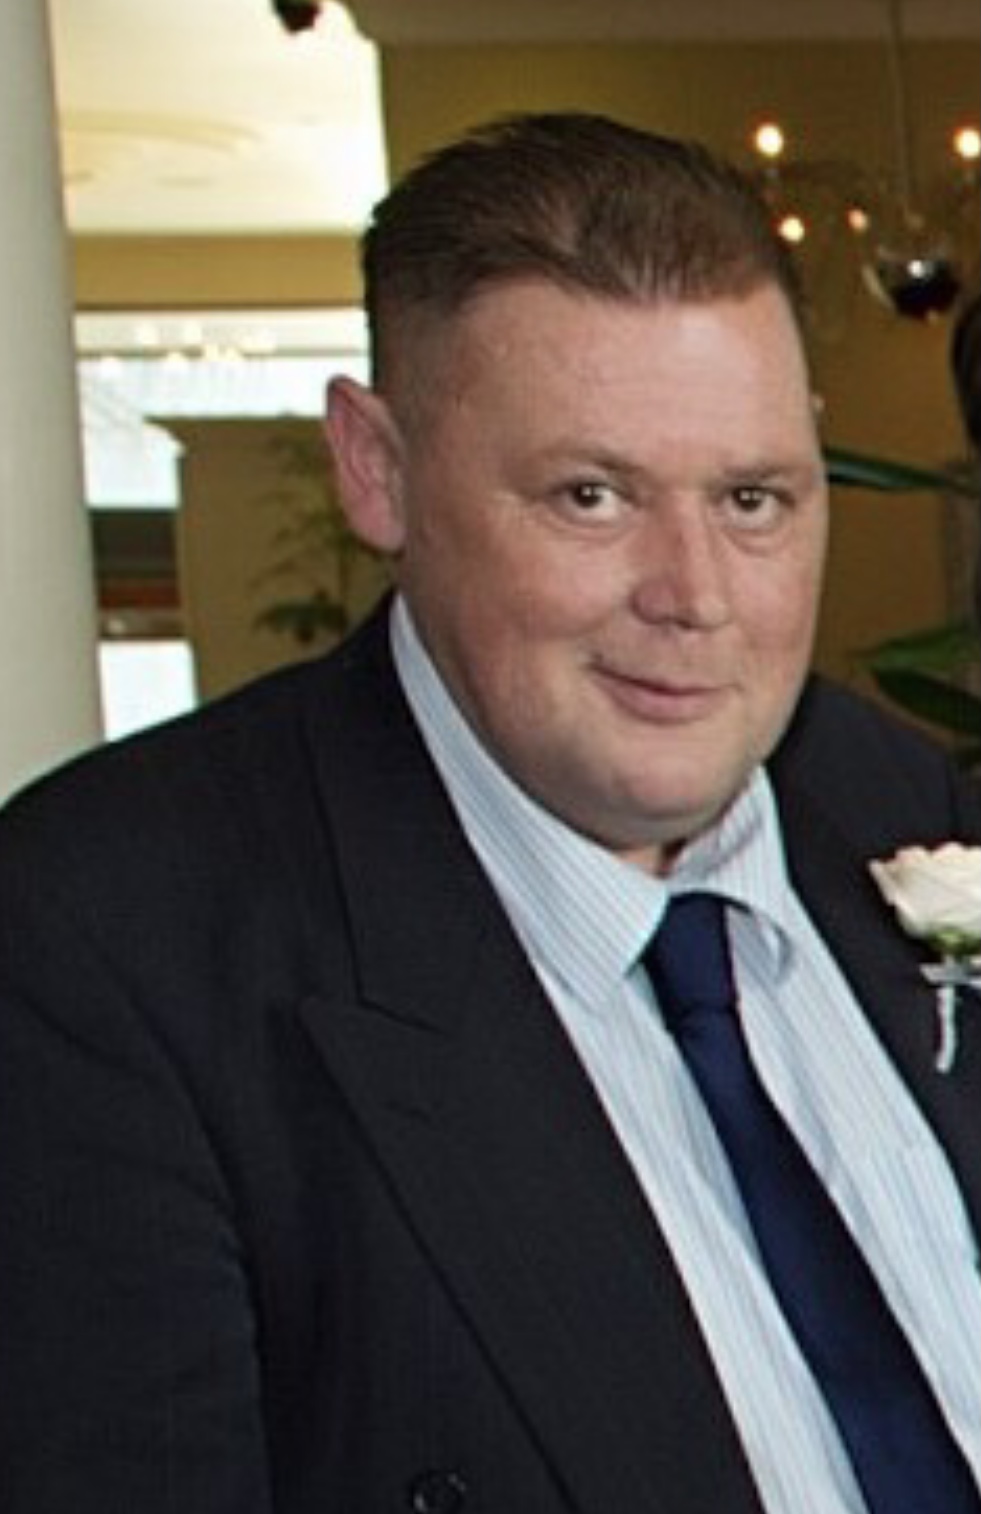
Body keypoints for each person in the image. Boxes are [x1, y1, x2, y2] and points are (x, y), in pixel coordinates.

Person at [0, 112, 978, 1514]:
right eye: (591, 496)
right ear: (378, 471)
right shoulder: (112, 939)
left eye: (753, 499)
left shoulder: (889, 800)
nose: (695, 595)